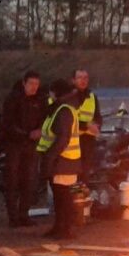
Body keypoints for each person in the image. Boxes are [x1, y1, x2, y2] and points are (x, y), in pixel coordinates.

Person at [0, 71, 48, 227]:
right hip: (15, 144)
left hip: (31, 145)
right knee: (12, 181)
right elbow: (7, 122)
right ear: (24, 83)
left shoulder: (40, 100)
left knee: (29, 180)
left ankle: (24, 214)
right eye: (31, 84)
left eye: (36, 84)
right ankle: (13, 217)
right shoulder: (13, 99)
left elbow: (45, 118)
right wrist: (26, 134)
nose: (34, 87)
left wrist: (40, 130)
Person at [38, 78, 83, 239]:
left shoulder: (63, 110)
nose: (49, 94)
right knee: (60, 196)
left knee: (63, 197)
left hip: (63, 160)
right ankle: (60, 227)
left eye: (51, 90)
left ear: (56, 92)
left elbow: (62, 139)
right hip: (62, 160)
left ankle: (65, 229)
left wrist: (49, 158)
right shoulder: (62, 108)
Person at [72, 69, 102, 176]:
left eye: (85, 78)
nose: (83, 81)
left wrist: (97, 126)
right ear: (73, 80)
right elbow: (68, 120)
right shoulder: (68, 97)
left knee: (84, 174)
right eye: (79, 78)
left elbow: (98, 117)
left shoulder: (92, 97)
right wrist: (87, 125)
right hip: (72, 140)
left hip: (88, 141)